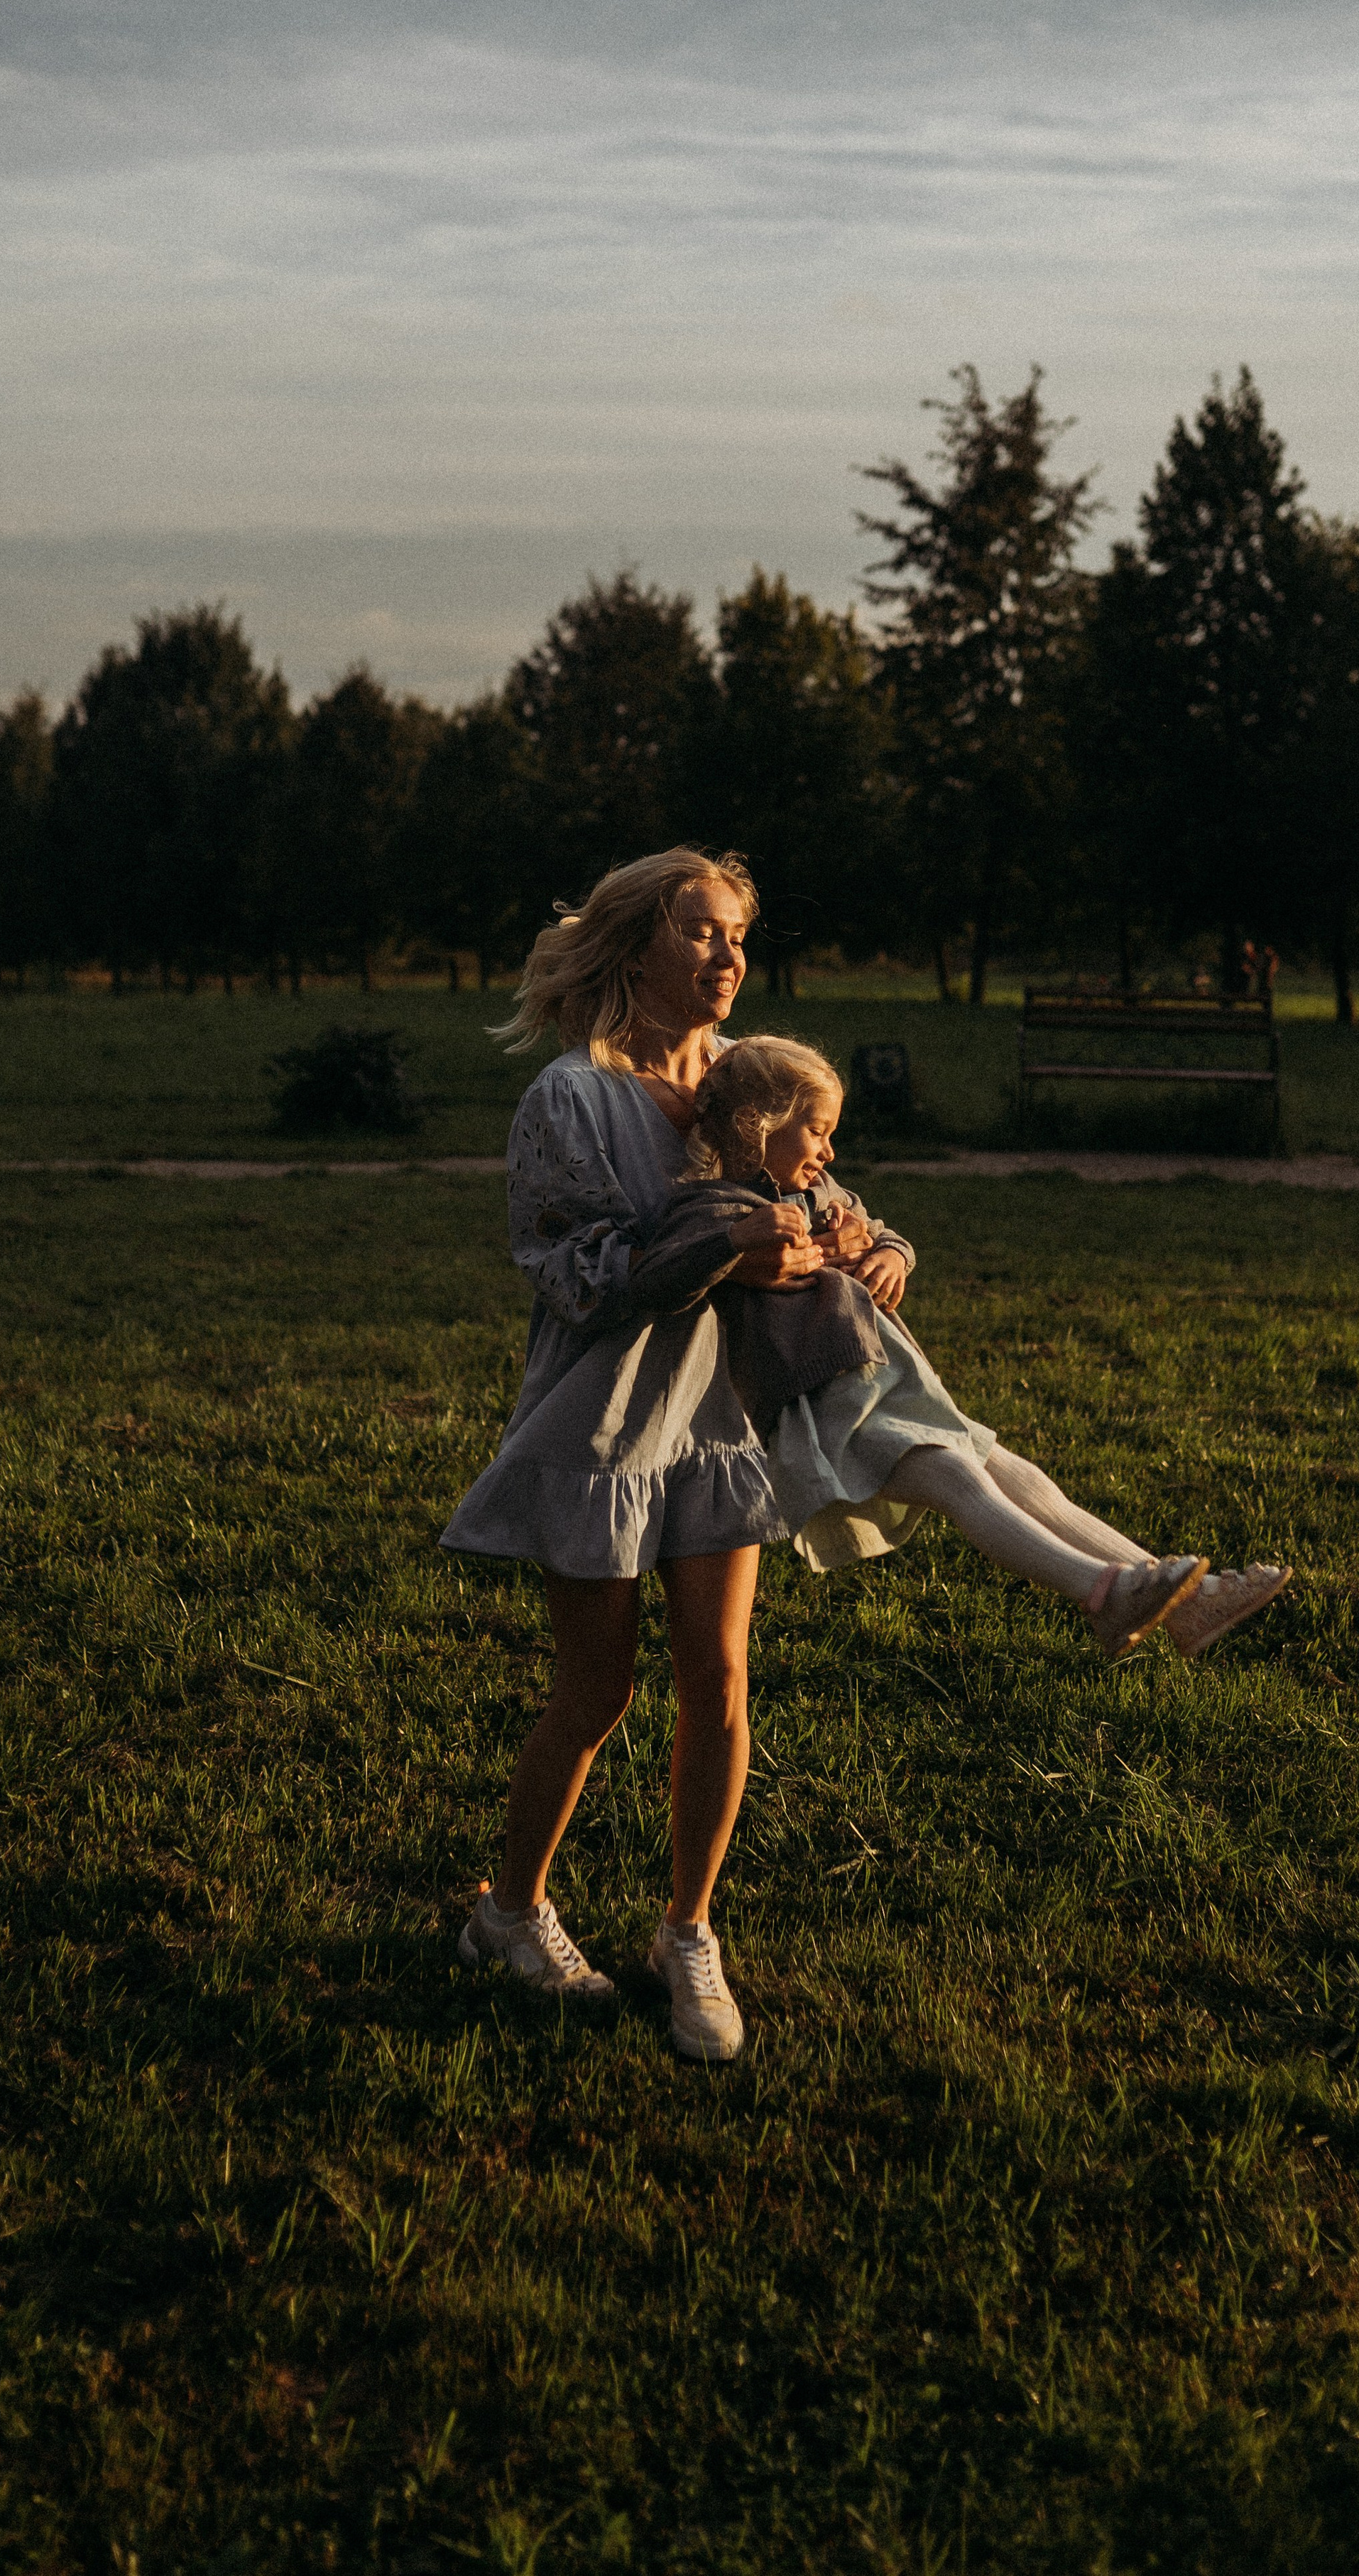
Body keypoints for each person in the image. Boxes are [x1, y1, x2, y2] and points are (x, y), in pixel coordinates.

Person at [442, 851, 873, 2064]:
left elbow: (826, 1197)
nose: (728, 957)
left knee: (719, 1684)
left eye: (738, 935)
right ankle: (510, 1914)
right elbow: (575, 1277)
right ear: (637, 946)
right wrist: (724, 1258)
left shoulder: (749, 1088)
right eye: (701, 933)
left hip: (718, 1428)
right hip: (604, 1431)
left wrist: (872, 1248)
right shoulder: (570, 1102)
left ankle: (689, 1933)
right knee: (595, 1692)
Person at [629, 1035, 1292, 1649]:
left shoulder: (819, 1191)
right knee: (954, 1479)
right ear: (759, 1125)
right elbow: (662, 1272)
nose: (829, 1151)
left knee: (1019, 1475)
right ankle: (1106, 1594)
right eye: (818, 1131)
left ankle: (1189, 1603)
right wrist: (737, 1242)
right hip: (828, 1414)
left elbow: (881, 1229)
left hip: (893, 1386)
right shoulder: (714, 1207)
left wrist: (892, 1255)